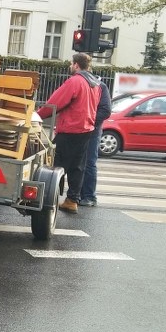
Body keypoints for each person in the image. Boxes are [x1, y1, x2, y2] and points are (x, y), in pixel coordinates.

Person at [36, 52, 103, 214]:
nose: (70, 66)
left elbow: (55, 103)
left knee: (57, 165)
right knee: (77, 167)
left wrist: (37, 115)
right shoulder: (95, 85)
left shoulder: (76, 81)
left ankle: (49, 199)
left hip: (71, 129)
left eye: (71, 63)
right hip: (86, 130)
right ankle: (72, 200)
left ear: (76, 65)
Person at [79, 77, 112, 207]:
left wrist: (89, 122)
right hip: (80, 129)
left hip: (92, 131)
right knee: (79, 163)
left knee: (89, 162)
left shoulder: (100, 86)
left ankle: (89, 196)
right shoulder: (81, 84)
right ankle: (78, 195)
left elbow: (105, 111)